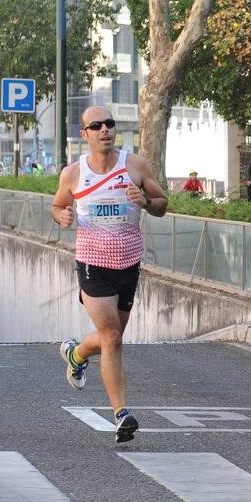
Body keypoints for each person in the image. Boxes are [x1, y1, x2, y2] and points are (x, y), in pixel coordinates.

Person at [51, 107, 169, 443]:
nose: (105, 130)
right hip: (92, 264)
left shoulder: (135, 166)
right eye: (97, 125)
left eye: (110, 124)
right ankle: (121, 414)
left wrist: (145, 201)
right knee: (113, 336)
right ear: (84, 133)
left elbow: (163, 204)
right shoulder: (73, 174)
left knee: (108, 338)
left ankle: (76, 354)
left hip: (129, 264)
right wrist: (62, 215)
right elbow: (57, 205)